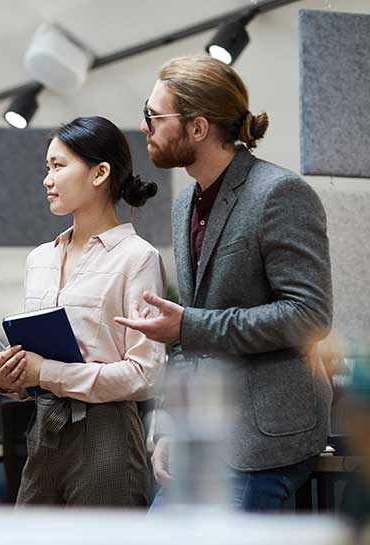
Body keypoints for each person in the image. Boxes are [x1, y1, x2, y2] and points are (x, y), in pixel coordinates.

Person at [116, 54, 333, 511]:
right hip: (203, 436)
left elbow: (309, 315)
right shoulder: (184, 205)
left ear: (197, 128)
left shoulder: (278, 193)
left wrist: (190, 326)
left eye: (154, 116)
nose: (144, 126)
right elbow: (190, 342)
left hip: (264, 444)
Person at [0, 116, 166, 507]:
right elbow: (35, 362)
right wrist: (13, 377)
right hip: (44, 428)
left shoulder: (137, 259)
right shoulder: (39, 259)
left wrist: (46, 372)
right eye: (47, 167)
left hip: (107, 433)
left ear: (100, 172)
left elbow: (145, 374)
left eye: (58, 166)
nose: (46, 179)